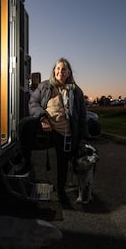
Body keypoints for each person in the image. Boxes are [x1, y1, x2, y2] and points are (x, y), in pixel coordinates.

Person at [20, 57, 88, 205]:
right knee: (24, 125)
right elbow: (33, 102)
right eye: (58, 68)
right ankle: (25, 161)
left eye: (64, 69)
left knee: (62, 164)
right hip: (47, 128)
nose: (60, 71)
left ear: (69, 72)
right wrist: (43, 118)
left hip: (65, 133)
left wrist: (82, 138)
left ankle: (61, 190)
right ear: (54, 71)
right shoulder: (45, 86)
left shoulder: (76, 91)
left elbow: (82, 117)